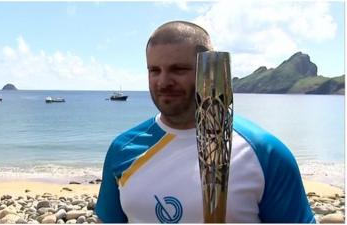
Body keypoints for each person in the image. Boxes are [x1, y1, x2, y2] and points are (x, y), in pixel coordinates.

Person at [95, 21, 315, 223]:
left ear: (208, 71)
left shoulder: (265, 153)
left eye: (178, 69)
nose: (163, 82)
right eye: (154, 70)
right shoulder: (123, 150)